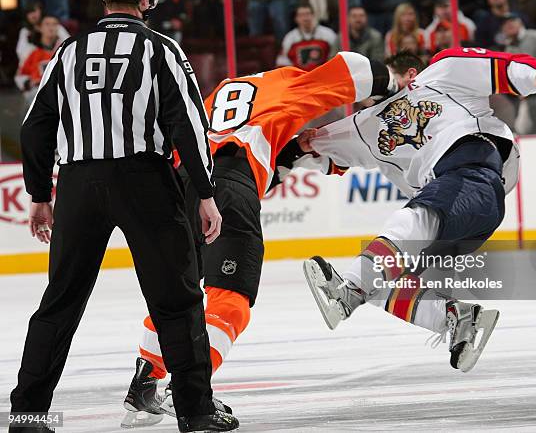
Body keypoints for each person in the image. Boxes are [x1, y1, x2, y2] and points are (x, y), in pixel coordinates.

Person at [9, 0, 238, 433]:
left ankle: (29, 414)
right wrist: (205, 191)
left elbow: (35, 130)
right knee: (176, 302)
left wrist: (39, 194)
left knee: (60, 302)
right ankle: (196, 414)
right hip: (144, 181)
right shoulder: (161, 49)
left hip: (78, 184)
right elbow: (188, 126)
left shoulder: (68, 51)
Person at [122, 50, 401, 422]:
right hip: (227, 187)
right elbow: (352, 68)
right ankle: (191, 392)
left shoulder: (217, 94)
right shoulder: (285, 83)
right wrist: (396, 88)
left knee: (179, 291)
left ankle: (145, 380)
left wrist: (292, 151)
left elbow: (260, 149)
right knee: (231, 298)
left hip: (181, 185)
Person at [295, 48, 536, 372]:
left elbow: (499, 67)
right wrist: (297, 146)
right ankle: (457, 320)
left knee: (411, 219)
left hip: (473, 171)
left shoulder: (441, 75)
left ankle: (346, 291)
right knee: (384, 278)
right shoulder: (363, 125)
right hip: (462, 212)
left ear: (410, 74)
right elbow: (304, 149)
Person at [15, 14, 62, 105]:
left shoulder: (66, 50)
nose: (51, 28)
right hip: (37, 93)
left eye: (54, 24)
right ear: (40, 28)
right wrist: (29, 83)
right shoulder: (31, 51)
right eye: (47, 24)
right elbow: (20, 76)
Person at [277, 4, 338, 70]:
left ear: (313, 15)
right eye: (301, 15)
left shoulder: (328, 34)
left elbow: (335, 56)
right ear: (296, 19)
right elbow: (282, 61)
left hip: (323, 75)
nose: (305, 18)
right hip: (300, 77)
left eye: (308, 14)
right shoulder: (290, 38)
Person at [16, 2, 69, 67]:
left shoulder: (55, 26)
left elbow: (69, 45)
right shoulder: (25, 31)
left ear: (41, 11)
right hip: (35, 64)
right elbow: (21, 53)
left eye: (34, 11)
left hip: (56, 62)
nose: (32, 15)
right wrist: (40, 55)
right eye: (29, 13)